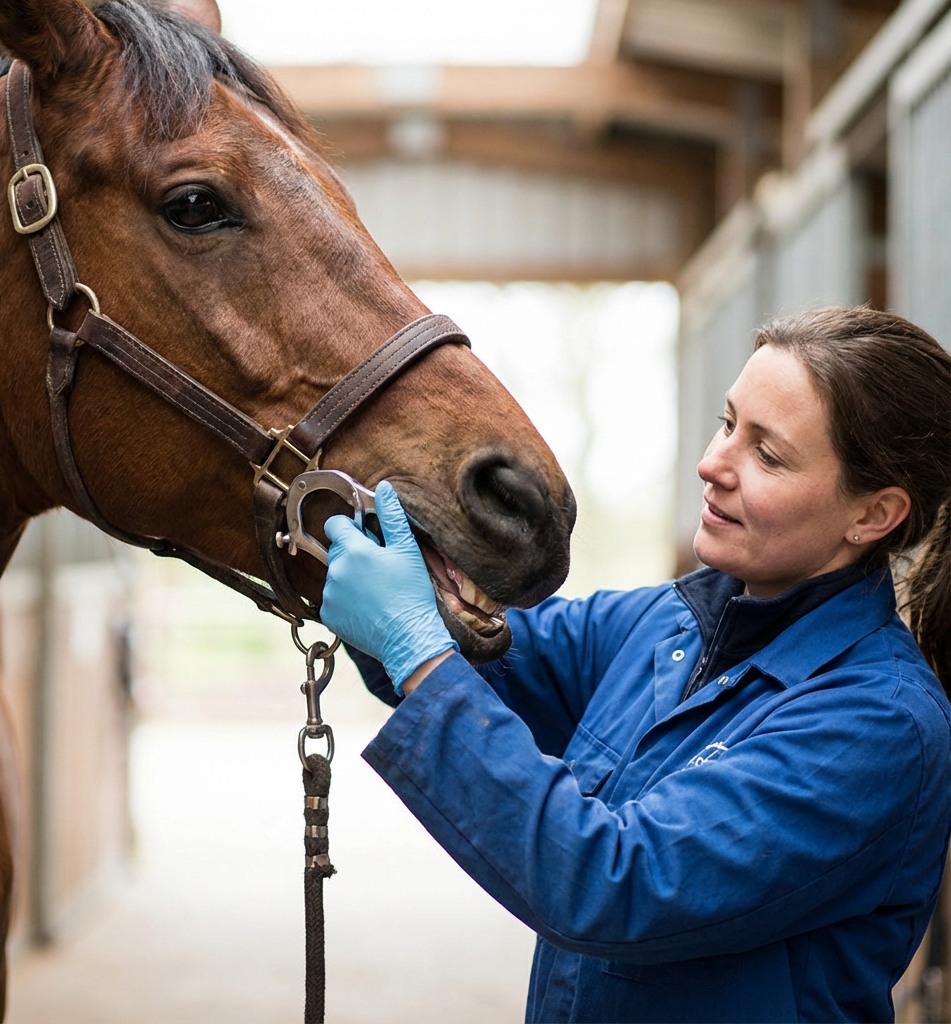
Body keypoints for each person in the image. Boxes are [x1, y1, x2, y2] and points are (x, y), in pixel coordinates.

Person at [320, 307, 951, 1024]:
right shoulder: (668, 623)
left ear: (873, 515)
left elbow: (617, 884)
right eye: (727, 423)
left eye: (768, 455)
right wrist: (368, 556)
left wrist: (414, 648)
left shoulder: (876, 724)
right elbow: (490, 660)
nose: (713, 465)